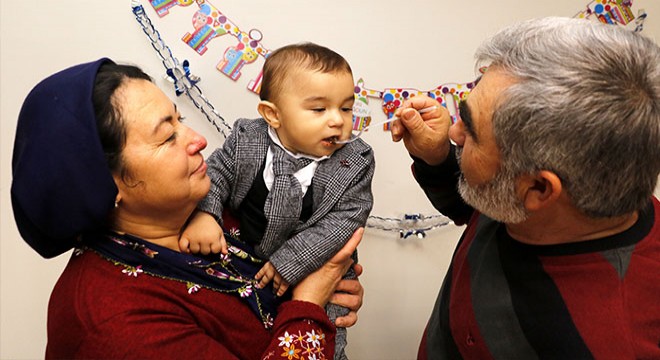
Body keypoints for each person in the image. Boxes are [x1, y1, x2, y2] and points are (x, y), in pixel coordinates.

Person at [11, 58, 365, 359]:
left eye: (179, 120)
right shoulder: (113, 325)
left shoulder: (213, 207)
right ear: (107, 184)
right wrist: (309, 307)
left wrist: (323, 281)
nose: (198, 140)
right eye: (167, 137)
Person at [390, 17, 660, 359]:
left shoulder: (614, 343)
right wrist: (438, 159)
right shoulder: (574, 186)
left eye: (470, 131)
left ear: (538, 189)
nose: (454, 133)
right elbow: (478, 200)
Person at [178, 42, 375, 359]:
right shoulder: (247, 139)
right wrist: (205, 216)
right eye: (319, 109)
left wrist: (293, 261)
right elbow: (215, 176)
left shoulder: (355, 159)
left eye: (346, 108)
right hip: (247, 254)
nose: (338, 121)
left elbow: (348, 218)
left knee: (329, 324)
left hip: (317, 262)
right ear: (273, 115)